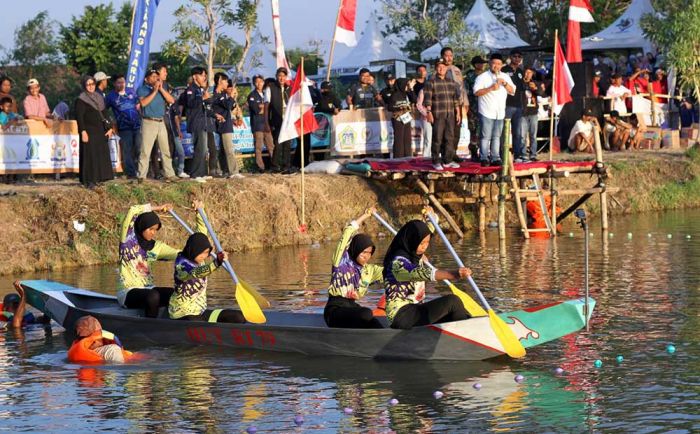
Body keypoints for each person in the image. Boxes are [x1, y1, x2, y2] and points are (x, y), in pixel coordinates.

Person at [382, 212, 471, 330]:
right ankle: (466, 337)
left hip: (416, 310)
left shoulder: (414, 252)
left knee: (455, 313)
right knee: (453, 301)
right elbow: (420, 273)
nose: (425, 246)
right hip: (401, 316)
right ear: (412, 241)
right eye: (421, 243)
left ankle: (468, 328)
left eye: (427, 242)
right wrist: (454, 274)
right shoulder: (397, 264)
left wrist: (431, 215)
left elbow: (430, 227)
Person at [117, 201, 205, 317]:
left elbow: (190, 253)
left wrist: (200, 213)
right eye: (151, 229)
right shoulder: (127, 241)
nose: (153, 233)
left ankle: (182, 321)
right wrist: (158, 208)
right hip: (128, 292)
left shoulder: (157, 248)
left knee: (177, 294)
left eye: (156, 230)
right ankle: (152, 326)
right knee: (153, 296)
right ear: (142, 226)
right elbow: (133, 210)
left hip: (149, 288)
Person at [324, 208, 384, 329]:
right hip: (335, 310)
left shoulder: (369, 270)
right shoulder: (341, 261)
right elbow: (347, 232)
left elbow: (394, 271)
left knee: (376, 324)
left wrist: (417, 260)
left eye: (369, 253)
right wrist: (365, 215)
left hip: (352, 308)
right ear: (356, 249)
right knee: (366, 313)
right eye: (363, 252)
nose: (366, 256)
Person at [169, 229, 245, 323]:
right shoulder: (181, 265)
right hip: (181, 314)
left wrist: (199, 214)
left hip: (201, 313)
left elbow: (202, 229)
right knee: (197, 323)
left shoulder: (199, 260)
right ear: (194, 249)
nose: (204, 256)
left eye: (206, 252)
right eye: (202, 252)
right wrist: (216, 263)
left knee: (238, 317)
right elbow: (196, 272)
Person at [473, 53, 515, 166]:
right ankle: (484, 157)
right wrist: (491, 88)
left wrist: (505, 83)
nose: (496, 66)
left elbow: (512, 91)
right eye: (493, 63)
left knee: (497, 136)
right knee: (485, 136)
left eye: (498, 64)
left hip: (500, 112)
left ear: (501, 65)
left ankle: (495, 157)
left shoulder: (505, 76)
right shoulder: (482, 77)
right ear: (489, 64)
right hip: (486, 111)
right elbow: (476, 92)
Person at [136, 68, 177, 182]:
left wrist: (161, 90)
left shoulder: (161, 89)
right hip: (148, 122)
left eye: (156, 76)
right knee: (145, 151)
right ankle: (141, 176)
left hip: (160, 121)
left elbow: (171, 100)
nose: (155, 78)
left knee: (165, 150)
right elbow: (143, 103)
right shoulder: (142, 89)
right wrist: (154, 91)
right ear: (146, 79)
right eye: (153, 76)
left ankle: (170, 174)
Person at [75, 75, 114, 188]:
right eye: (88, 84)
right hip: (89, 131)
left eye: (92, 84)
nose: (91, 86)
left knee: (100, 155)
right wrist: (83, 131)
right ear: (84, 85)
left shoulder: (99, 97)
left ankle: (100, 178)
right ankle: (89, 181)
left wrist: (110, 127)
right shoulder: (81, 99)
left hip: (100, 131)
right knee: (90, 156)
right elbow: (79, 117)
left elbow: (105, 113)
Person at [423, 58, 461, 171]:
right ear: (436, 69)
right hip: (438, 114)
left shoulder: (451, 82)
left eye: (443, 67)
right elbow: (427, 99)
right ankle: (435, 160)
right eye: (439, 67)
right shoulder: (431, 82)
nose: (441, 69)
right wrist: (429, 112)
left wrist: (458, 112)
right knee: (437, 138)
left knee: (449, 138)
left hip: (450, 115)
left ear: (446, 68)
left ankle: (448, 160)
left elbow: (455, 100)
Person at [105, 74, 141, 178]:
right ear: (114, 84)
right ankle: (131, 173)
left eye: (123, 82)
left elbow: (138, 104)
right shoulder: (111, 96)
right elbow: (104, 110)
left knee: (139, 148)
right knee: (127, 150)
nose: (122, 84)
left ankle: (141, 171)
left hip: (137, 126)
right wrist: (110, 122)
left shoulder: (131, 91)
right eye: (119, 82)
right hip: (124, 128)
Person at [184, 66, 215, 181]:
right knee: (199, 149)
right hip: (196, 122)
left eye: (205, 75)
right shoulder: (191, 89)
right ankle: (195, 174)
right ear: (194, 76)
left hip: (203, 122)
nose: (204, 77)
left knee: (203, 149)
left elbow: (207, 104)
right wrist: (202, 98)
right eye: (202, 75)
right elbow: (191, 103)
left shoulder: (200, 89)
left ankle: (202, 173)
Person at [67, 315, 136, 364]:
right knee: (113, 349)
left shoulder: (76, 348)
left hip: (95, 365)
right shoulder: (111, 349)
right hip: (109, 360)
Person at [212, 73, 242, 179]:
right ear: (219, 80)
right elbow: (227, 105)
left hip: (227, 124)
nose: (227, 83)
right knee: (229, 150)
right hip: (222, 125)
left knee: (224, 150)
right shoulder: (216, 94)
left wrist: (233, 98)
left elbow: (231, 107)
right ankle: (233, 172)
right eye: (225, 81)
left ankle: (223, 170)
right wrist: (231, 96)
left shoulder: (223, 94)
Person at [441, 47, 469, 160]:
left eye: (451, 55)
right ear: (442, 56)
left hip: (458, 104)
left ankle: (454, 153)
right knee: (446, 131)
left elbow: (462, 87)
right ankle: (445, 154)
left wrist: (465, 103)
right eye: (446, 55)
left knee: (457, 130)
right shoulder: (439, 70)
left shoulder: (457, 70)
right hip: (445, 105)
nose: (449, 58)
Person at [266, 67, 292, 173]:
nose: (282, 78)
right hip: (276, 120)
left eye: (284, 76)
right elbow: (266, 106)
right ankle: (275, 166)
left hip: (287, 121)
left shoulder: (289, 88)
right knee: (278, 143)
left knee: (287, 144)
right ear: (276, 76)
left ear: (286, 77)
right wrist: (267, 122)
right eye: (280, 76)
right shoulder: (271, 87)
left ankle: (286, 166)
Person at [502, 49, 526, 161]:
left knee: (518, 132)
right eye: (515, 56)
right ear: (510, 57)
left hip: (518, 105)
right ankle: (503, 155)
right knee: (504, 132)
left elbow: (521, 89)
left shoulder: (521, 71)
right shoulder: (504, 70)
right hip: (506, 104)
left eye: (519, 56)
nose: (517, 58)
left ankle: (517, 155)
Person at [247, 75, 274, 173]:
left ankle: (275, 165)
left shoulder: (265, 93)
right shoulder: (252, 96)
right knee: (258, 147)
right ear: (254, 83)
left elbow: (270, 108)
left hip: (267, 125)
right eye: (257, 82)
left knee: (271, 146)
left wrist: (264, 107)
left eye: (261, 82)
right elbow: (257, 110)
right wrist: (264, 107)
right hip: (257, 125)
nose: (259, 84)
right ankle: (260, 167)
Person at [465, 56, 488, 160]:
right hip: (473, 108)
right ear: (475, 65)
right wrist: (467, 108)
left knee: (484, 131)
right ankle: (474, 152)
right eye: (480, 63)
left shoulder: (487, 76)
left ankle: (483, 152)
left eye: (483, 63)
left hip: (486, 107)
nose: (482, 65)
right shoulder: (469, 77)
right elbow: (465, 93)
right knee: (474, 131)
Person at [387, 78, 414, 158]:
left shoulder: (406, 94)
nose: (407, 86)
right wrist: (400, 108)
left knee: (407, 138)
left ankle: (408, 156)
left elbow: (414, 99)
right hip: (398, 118)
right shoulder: (394, 95)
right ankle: (398, 157)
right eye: (406, 85)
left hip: (406, 118)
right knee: (399, 139)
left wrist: (411, 89)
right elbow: (390, 107)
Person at [521, 67, 544, 161]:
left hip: (533, 112)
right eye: (526, 72)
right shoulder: (520, 83)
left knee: (533, 135)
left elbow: (541, 94)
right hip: (522, 112)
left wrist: (535, 88)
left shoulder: (535, 83)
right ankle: (522, 154)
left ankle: (533, 155)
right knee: (522, 135)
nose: (528, 74)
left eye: (530, 73)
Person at [411, 64, 432, 156]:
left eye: (424, 70)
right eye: (420, 70)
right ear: (417, 72)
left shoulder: (429, 83)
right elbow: (417, 102)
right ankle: (426, 156)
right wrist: (426, 113)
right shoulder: (414, 83)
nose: (423, 72)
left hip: (437, 114)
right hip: (422, 113)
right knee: (427, 136)